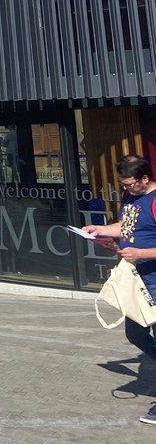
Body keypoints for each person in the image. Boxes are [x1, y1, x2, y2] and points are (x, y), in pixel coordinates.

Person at [83, 154, 156, 426]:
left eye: (129, 184)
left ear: (145, 178)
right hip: (136, 280)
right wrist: (100, 230)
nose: (126, 190)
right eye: (123, 185)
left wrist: (141, 252)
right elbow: (125, 227)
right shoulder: (131, 199)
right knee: (135, 333)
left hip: (155, 278)